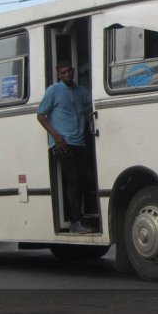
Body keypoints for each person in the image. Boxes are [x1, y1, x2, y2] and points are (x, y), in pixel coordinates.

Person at [37, 61, 93, 234]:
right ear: (58, 75)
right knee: (73, 179)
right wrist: (55, 135)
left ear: (74, 71)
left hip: (80, 142)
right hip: (62, 143)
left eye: (69, 71)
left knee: (83, 179)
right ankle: (75, 222)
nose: (67, 74)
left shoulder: (81, 91)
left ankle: (80, 218)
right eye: (63, 72)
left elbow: (90, 108)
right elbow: (40, 115)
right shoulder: (53, 91)